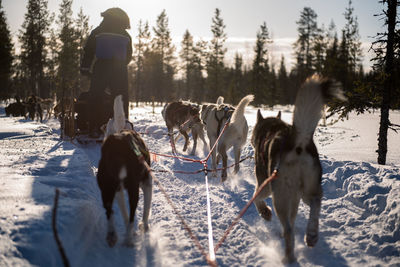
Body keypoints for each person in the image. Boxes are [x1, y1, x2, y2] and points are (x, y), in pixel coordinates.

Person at [80, 7, 132, 137]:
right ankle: (122, 128)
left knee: (95, 96)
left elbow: (89, 51)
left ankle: (94, 128)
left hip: (101, 67)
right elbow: (129, 56)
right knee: (120, 99)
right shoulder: (126, 35)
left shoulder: (98, 32)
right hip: (119, 68)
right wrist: (120, 64)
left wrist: (85, 68)